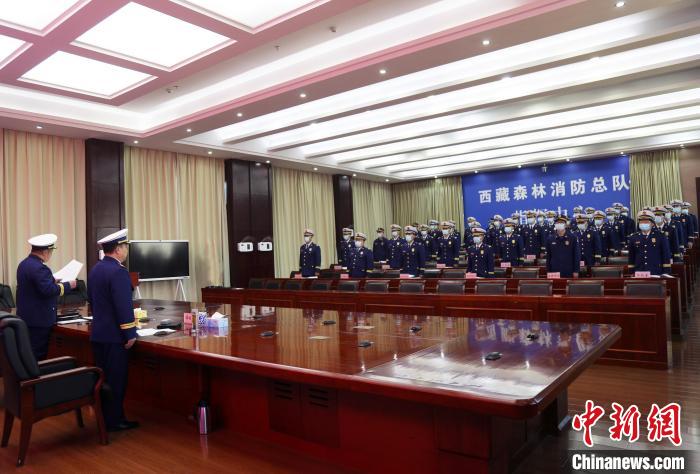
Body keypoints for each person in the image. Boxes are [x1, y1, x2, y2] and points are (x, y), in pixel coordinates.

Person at [88, 229, 139, 432]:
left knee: (103, 379)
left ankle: (104, 417)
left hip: (99, 333)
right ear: (118, 249)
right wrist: (130, 333)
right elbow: (123, 306)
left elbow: (92, 301)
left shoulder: (96, 269)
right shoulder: (118, 272)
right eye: (125, 247)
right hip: (115, 336)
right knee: (116, 380)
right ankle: (115, 420)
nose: (126, 250)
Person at [15, 233, 77, 360]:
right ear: (45, 251)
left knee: (29, 354)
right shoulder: (40, 268)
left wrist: (51, 280)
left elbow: (35, 285)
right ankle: (36, 374)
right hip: (39, 321)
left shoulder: (24, 264)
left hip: (27, 318)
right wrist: (68, 285)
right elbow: (48, 290)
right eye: (51, 252)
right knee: (38, 356)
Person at [628, 210, 672, 276]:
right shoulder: (633, 237)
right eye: (641, 222)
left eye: (646, 222)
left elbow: (665, 254)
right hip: (639, 272)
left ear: (652, 224)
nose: (643, 223)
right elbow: (631, 256)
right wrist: (631, 272)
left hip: (656, 271)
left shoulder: (660, 236)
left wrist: (666, 272)